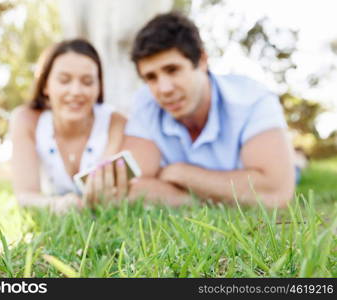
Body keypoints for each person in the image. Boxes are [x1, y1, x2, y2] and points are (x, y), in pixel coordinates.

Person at [119, 12, 295, 208]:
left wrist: (180, 174)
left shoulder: (253, 99)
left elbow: (276, 193)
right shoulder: (145, 102)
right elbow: (132, 187)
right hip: (234, 180)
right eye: (151, 77)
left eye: (172, 70)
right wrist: (202, 199)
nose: (164, 89)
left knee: (294, 168)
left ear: (202, 60)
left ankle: (299, 159)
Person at [10, 39, 127, 214]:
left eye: (87, 82)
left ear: (98, 88)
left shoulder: (115, 122)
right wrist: (58, 205)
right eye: (64, 80)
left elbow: (114, 191)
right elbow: (25, 196)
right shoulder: (26, 120)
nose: (76, 91)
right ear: (45, 86)